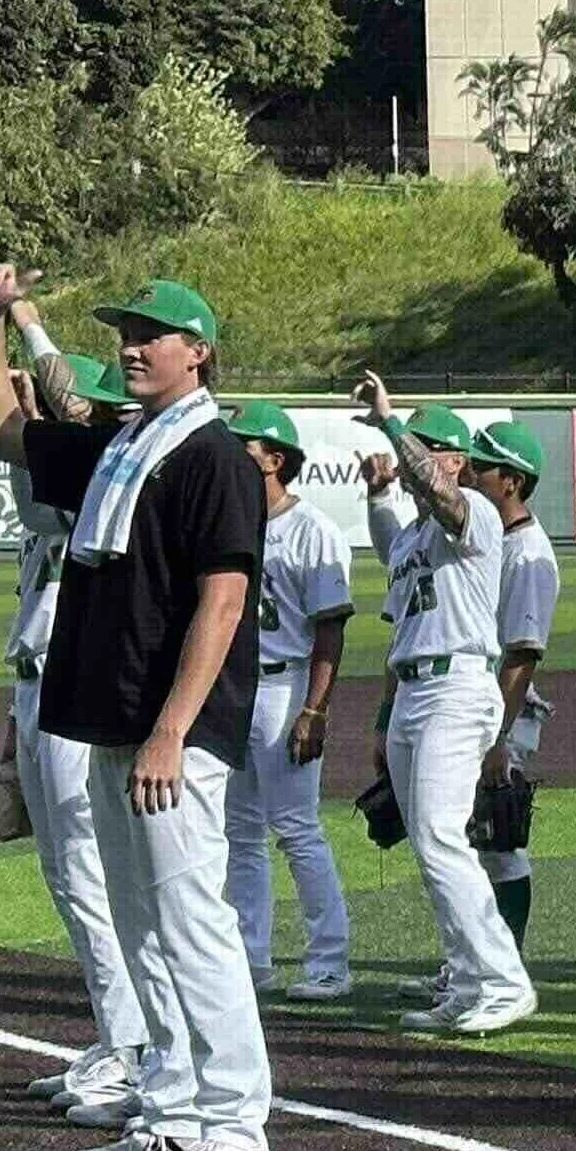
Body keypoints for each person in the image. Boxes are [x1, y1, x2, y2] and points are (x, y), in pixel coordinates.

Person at [0, 264, 279, 1151]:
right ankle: (174, 1112)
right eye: (125, 331)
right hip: (111, 725)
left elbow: (223, 603)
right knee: (143, 928)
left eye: (151, 332)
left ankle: (236, 1123)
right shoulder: (122, 448)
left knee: (192, 924)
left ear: (199, 352)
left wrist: (172, 729)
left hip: (170, 732)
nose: (131, 346)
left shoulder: (213, 455)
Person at [0, 314, 151, 1128]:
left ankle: (132, 1046)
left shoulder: (104, 470)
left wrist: (26, 329)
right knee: (68, 873)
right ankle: (120, 1035)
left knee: (91, 872)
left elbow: (65, 410)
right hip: (42, 687)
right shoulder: (63, 476)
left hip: (80, 694)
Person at [358, 380, 539, 1037]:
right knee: (435, 840)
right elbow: (395, 555)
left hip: (458, 684)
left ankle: (503, 979)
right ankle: (466, 980)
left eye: (427, 452)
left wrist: (387, 423)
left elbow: (438, 494)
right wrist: (379, 492)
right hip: (414, 688)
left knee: (438, 834)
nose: (414, 463)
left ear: (455, 461)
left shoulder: (477, 516)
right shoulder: (413, 536)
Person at [223, 402, 354, 1001]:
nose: (234, 454)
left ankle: (329, 961)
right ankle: (252, 958)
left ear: (275, 460)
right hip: (234, 687)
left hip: (286, 684)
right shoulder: (227, 521)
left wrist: (315, 708)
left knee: (296, 827)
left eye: (245, 447)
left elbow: (330, 626)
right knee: (241, 832)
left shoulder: (313, 529)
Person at [468, 420, 561, 962]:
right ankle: (471, 961)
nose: (471, 474)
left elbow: (523, 652)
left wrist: (496, 736)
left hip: (504, 707)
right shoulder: (488, 539)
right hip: (473, 701)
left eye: (481, 467)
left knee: (498, 839)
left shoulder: (529, 554)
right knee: (467, 841)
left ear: (511, 481)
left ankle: (506, 962)